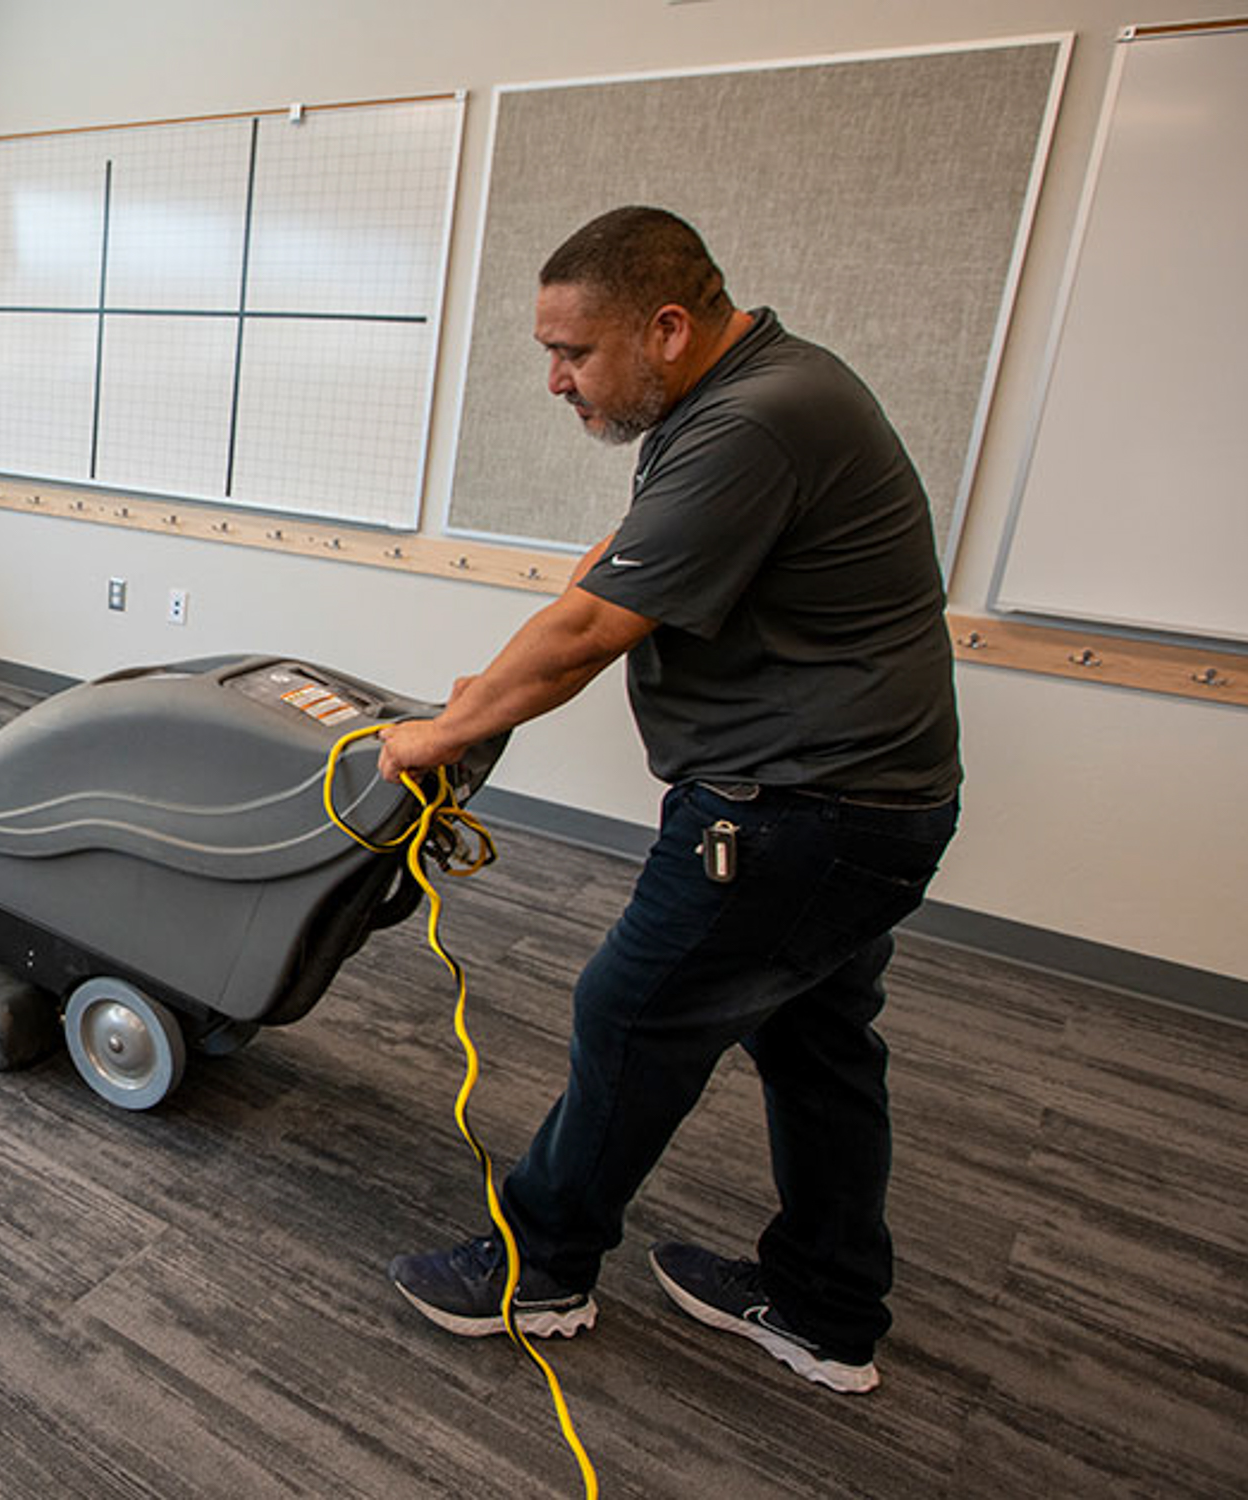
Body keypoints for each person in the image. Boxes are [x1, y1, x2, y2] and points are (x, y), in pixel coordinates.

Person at [377, 206, 960, 1395]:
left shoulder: (756, 420)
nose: (556, 379)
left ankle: (537, 1270)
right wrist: (483, 693)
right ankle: (826, 1303)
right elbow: (611, 568)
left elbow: (592, 629)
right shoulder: (747, 397)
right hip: (863, 809)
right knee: (817, 1045)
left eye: (573, 352)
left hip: (799, 817)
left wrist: (438, 735)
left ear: (668, 328)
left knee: (631, 1014)